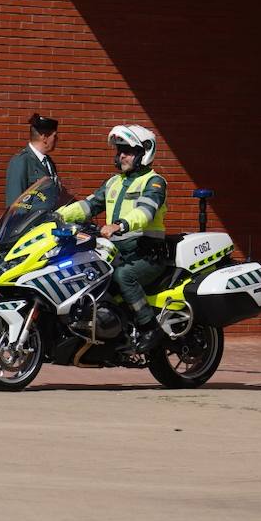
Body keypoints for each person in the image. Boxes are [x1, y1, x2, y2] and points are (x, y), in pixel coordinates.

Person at [56, 124, 168, 353]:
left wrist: (120, 225)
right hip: (117, 251)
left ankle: (149, 327)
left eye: (127, 150)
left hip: (147, 254)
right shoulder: (113, 182)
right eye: (119, 151)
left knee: (123, 276)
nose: (121, 155)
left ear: (144, 152)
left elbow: (146, 212)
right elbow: (88, 206)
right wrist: (56, 215)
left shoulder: (154, 182)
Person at [4, 113, 59, 207]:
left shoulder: (48, 163)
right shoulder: (21, 161)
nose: (57, 139)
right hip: (30, 221)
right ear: (45, 137)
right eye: (54, 136)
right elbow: (14, 204)